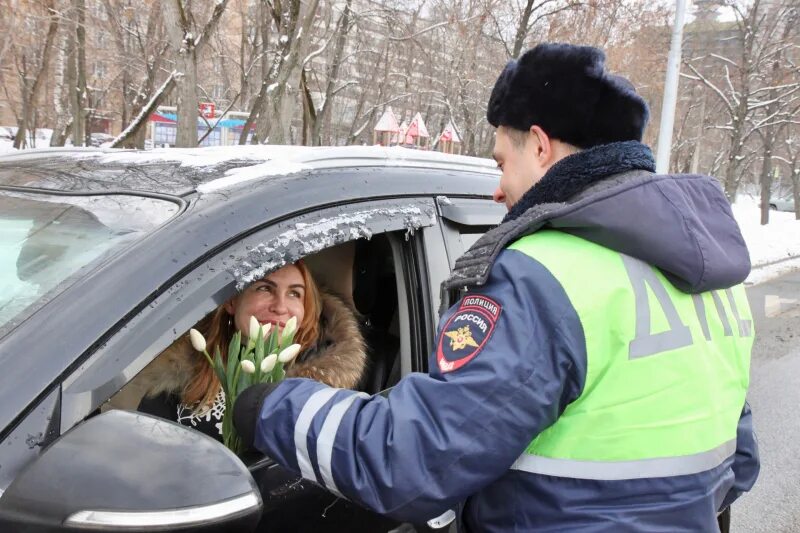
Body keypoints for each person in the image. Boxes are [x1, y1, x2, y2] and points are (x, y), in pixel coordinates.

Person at [233, 43, 759, 531]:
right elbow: (739, 462)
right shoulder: (712, 281)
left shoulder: (545, 277)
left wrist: (272, 406)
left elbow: (412, 460)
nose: (498, 187)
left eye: (501, 163)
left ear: (540, 145)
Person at [136, 260, 367, 441]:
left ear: (305, 310)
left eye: (295, 293)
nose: (280, 307)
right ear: (232, 302)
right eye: (265, 288)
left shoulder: (324, 391)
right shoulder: (182, 371)